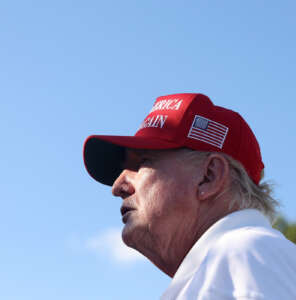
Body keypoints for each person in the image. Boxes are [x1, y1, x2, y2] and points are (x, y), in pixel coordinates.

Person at [83, 93, 296, 299]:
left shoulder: (244, 254)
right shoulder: (232, 266)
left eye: (141, 163)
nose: (117, 186)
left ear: (208, 177)